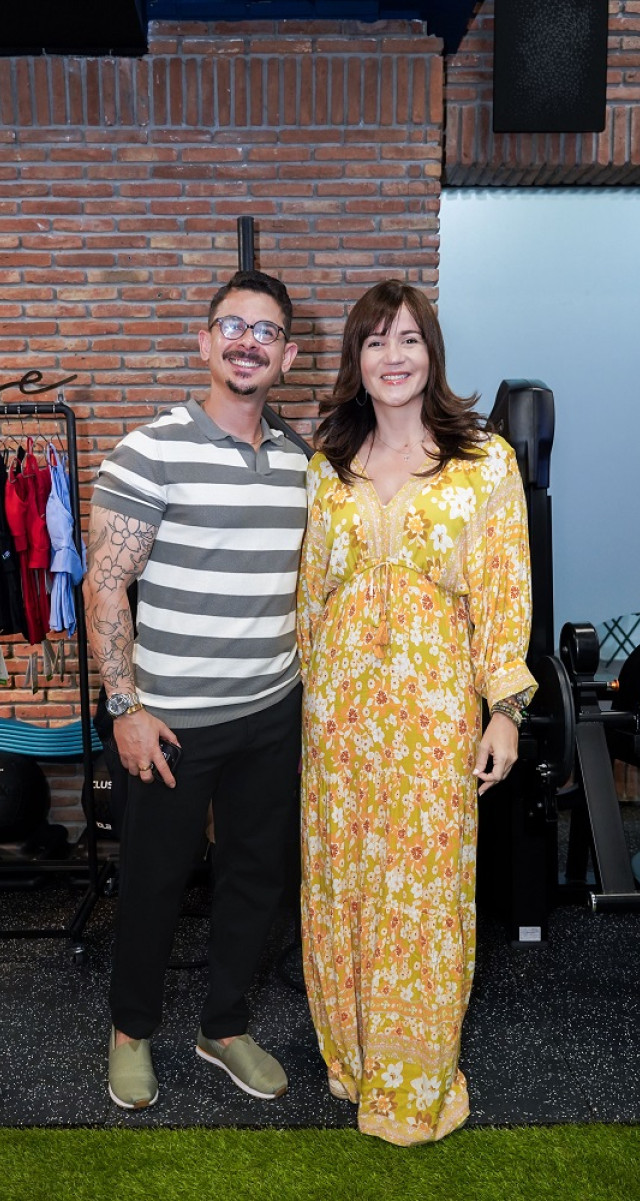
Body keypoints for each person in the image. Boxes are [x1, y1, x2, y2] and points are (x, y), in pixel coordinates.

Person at [297, 280, 537, 1146]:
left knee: (426, 894)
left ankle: (416, 1077)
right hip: (339, 718)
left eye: (408, 340)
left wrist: (504, 708)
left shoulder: (485, 462)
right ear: (355, 361)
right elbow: (308, 601)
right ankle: (354, 1058)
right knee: (345, 886)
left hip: (435, 718)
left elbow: (504, 596)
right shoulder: (326, 465)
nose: (392, 357)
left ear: (431, 354)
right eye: (374, 342)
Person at [83, 269, 307, 1110]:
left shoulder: (297, 462)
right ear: (205, 342)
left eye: (267, 331)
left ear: (285, 356)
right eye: (234, 326)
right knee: (153, 880)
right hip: (170, 721)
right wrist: (126, 708)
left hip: (270, 711)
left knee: (257, 876)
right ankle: (131, 1032)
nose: (249, 341)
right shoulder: (151, 448)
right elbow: (105, 587)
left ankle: (224, 1023)